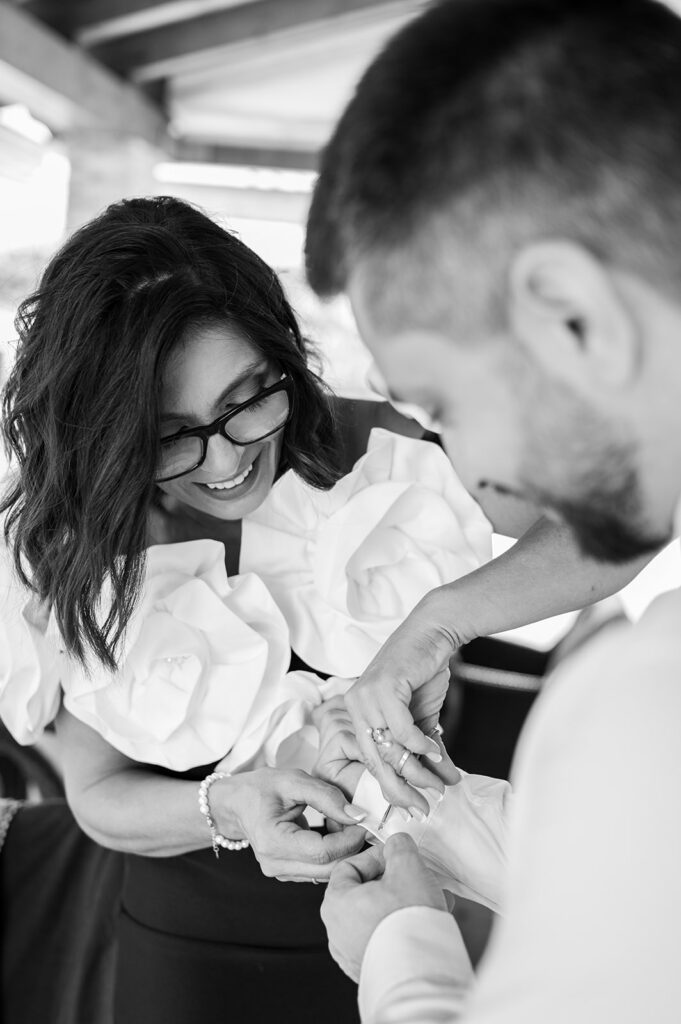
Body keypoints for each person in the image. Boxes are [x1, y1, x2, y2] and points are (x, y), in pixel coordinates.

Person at [0, 195, 648, 1023]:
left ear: (281, 354)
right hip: (186, 954)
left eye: (246, 400)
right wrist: (229, 806)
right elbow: (96, 795)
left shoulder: (386, 451)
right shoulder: (70, 545)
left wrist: (438, 621)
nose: (226, 462)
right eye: (168, 436)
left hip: (412, 927)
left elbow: (626, 514)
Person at [304, 0, 681, 1020]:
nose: (467, 474)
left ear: (571, 315)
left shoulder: (646, 702)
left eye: (443, 407)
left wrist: (403, 953)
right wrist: (435, 819)